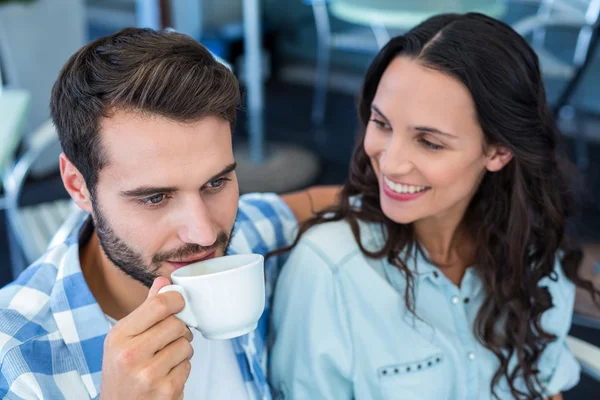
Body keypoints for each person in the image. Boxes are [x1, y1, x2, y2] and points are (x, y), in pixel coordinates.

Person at [269, 13, 599, 400]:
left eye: (429, 142)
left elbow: (543, 389)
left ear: (499, 151)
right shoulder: (327, 271)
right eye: (382, 123)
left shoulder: (528, 246)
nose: (389, 163)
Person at [0, 28, 338, 400]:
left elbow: (328, 200)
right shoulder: (16, 362)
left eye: (216, 183)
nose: (205, 235)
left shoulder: (247, 239)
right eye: (156, 198)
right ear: (78, 186)